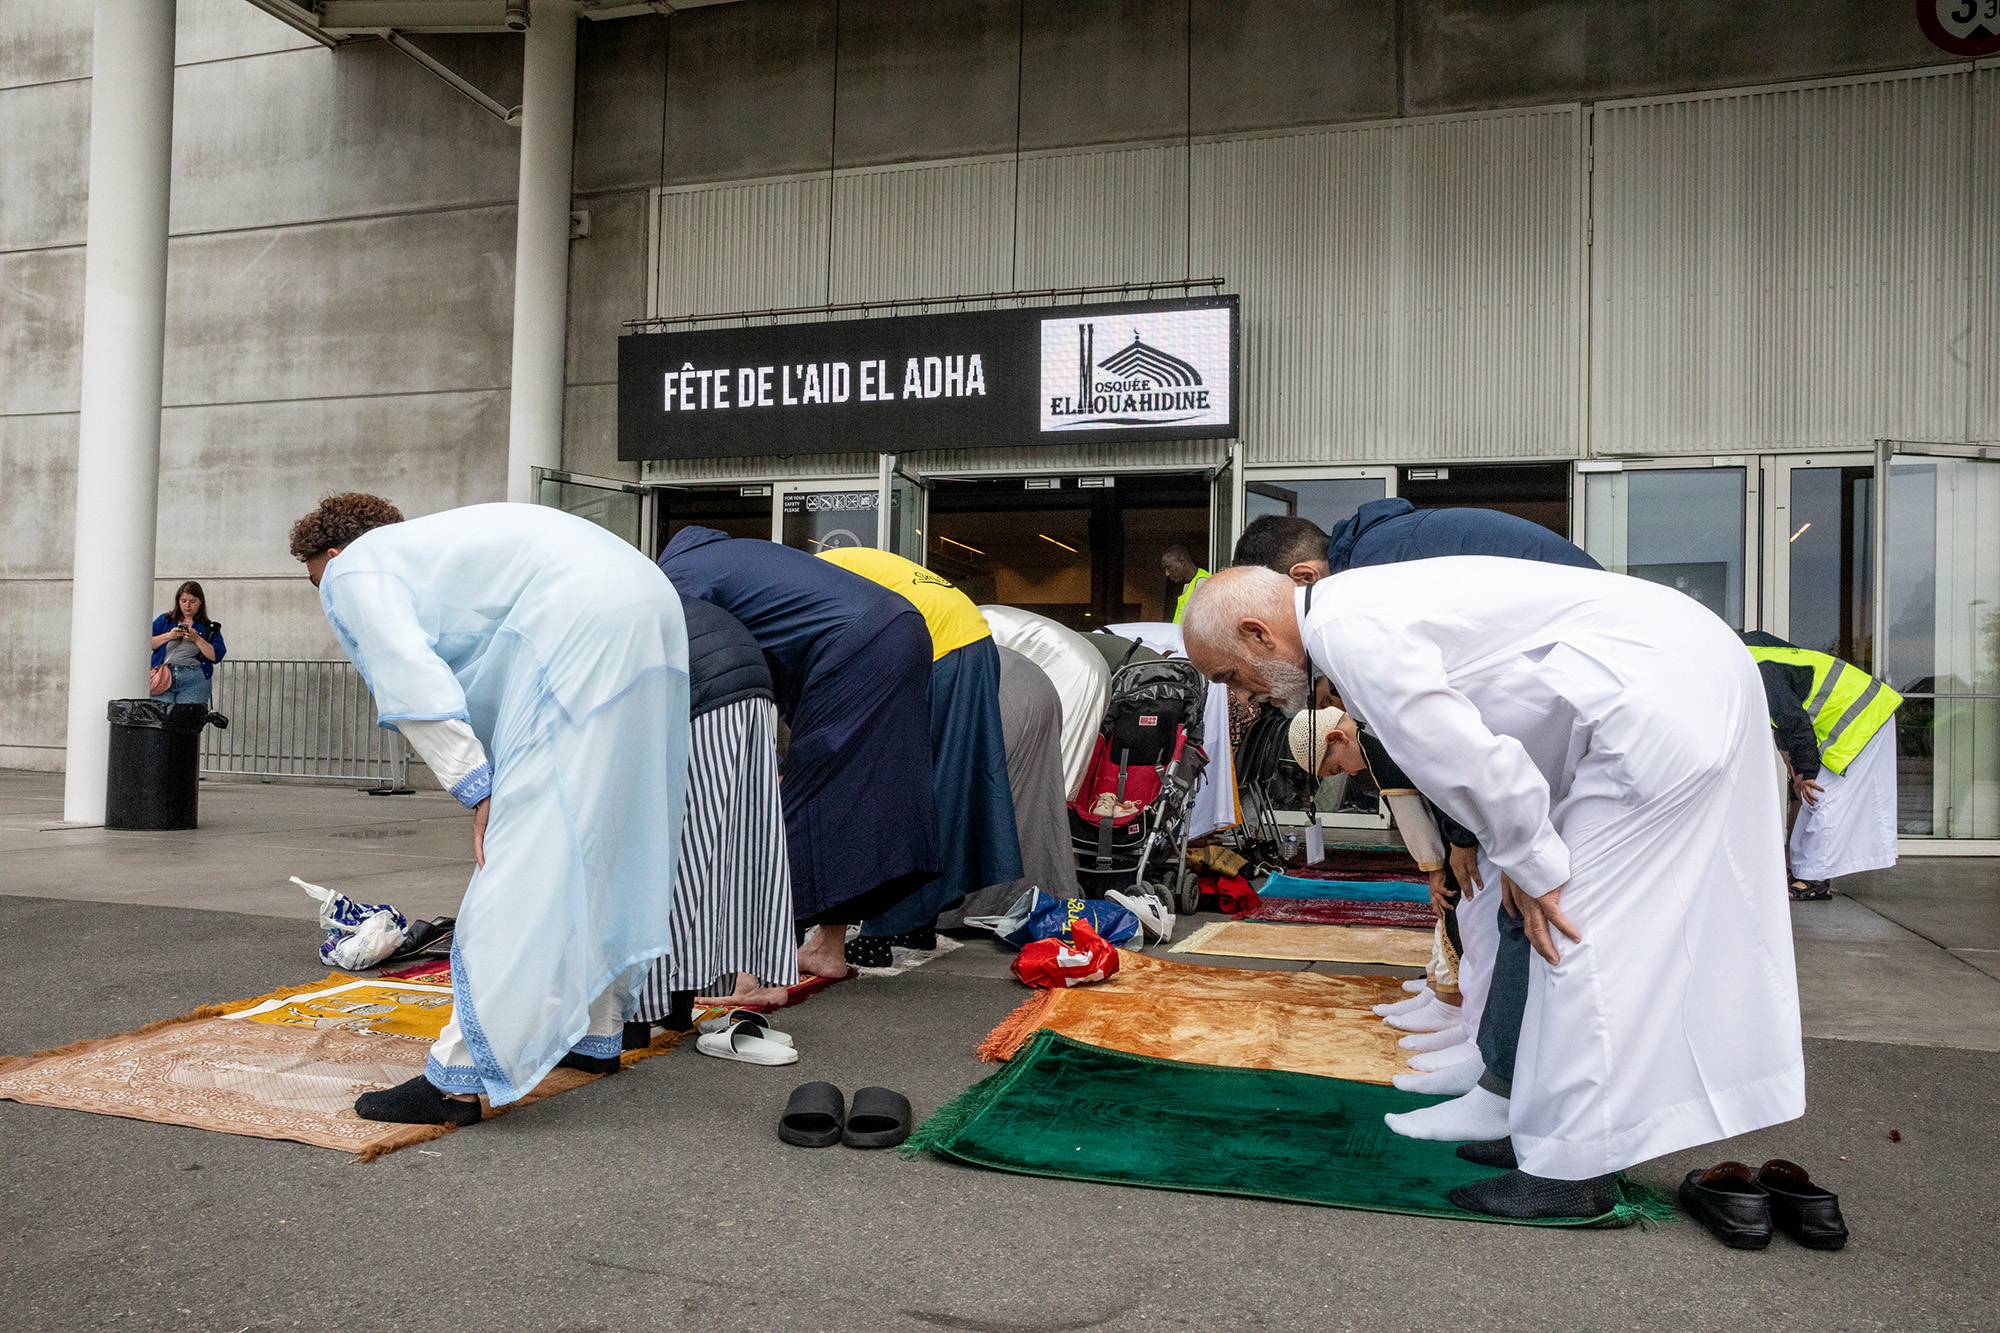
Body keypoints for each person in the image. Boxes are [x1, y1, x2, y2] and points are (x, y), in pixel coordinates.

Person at [1182, 562, 1801, 1220]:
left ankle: (1572, 1170)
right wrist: (1520, 853)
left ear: (1257, 634)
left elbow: (1469, 758)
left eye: (1229, 677)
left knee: (1569, 933)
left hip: (1659, 704)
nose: (1243, 696)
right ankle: (1545, 1130)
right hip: (1671, 684)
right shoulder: (1350, 614)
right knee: (1567, 929)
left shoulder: (1354, 634)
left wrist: (1531, 862)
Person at [292, 494, 691, 1126]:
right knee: (600, 839)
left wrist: (477, 789)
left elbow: (409, 679)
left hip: (578, 624)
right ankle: (595, 1033)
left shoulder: (355, 567)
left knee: (520, 856)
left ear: (334, 555)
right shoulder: (447, 545)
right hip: (649, 604)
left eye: (317, 580)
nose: (325, 596)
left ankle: (456, 1079)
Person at [1232, 506, 1601, 1148]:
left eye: (1240, 668)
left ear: (1303, 581)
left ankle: (1519, 1097)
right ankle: (1501, 1072)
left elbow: (1453, 733)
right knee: (1515, 911)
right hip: (1577, 715)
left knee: (1533, 915)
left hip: (1592, 717)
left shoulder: (1357, 600)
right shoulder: (1388, 557)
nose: (1250, 690)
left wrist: (1491, 843)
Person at [657, 527, 937, 986]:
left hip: (853, 645)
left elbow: (706, 670)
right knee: (852, 804)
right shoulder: (736, 554)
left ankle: (748, 966)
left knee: (794, 809)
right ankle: (826, 948)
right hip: (902, 628)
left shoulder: (677, 577)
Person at [817, 548, 1022, 965]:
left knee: (890, 789)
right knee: (941, 788)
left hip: (941, 648)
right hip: (973, 641)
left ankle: (879, 931)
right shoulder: (829, 565)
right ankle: (917, 923)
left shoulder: (808, 582)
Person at [633, 597, 799, 1017]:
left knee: (673, 854)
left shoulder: (614, 601)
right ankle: (679, 1001)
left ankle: (639, 1007)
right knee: (724, 850)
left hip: (705, 691)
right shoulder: (672, 594)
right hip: (753, 690)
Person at [1741, 631, 1902, 901]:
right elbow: (1785, 715)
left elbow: (1794, 722)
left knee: (1822, 798)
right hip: (1858, 711)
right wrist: (1793, 766)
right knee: (1812, 798)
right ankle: (1802, 870)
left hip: (1864, 716)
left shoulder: (1755, 672)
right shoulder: (1750, 650)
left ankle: (1814, 879)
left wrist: (1804, 774)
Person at [939, 644, 1083, 928]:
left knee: (972, 801)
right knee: (1033, 802)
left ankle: (967, 902)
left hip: (997, 691)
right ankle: (1032, 892)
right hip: (1032, 685)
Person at [977, 604, 1111, 800]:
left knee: (1055, 771)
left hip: (1071, 667)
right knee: (1057, 765)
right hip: (1080, 661)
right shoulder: (963, 614)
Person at [149, 581, 226, 705]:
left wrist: (197, 639)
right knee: (161, 719)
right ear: (178, 601)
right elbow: (147, 643)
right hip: (164, 676)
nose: (187, 606)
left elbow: (216, 656)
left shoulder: (207, 626)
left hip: (194, 678)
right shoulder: (166, 620)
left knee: (188, 719)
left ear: (200, 601)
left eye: (192, 601)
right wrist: (169, 635)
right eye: (183, 601)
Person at [1161, 543, 1209, 625]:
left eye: (1169, 567)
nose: (1167, 574)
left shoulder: (1204, 583)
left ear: (1182, 562)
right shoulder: (1186, 584)